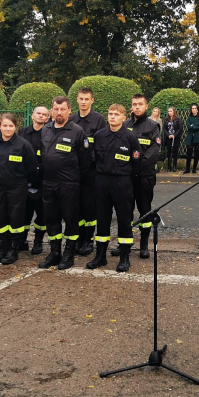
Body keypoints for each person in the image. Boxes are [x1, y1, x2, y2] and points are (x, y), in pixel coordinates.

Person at [87, 103, 141, 273]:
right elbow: (93, 159)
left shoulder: (130, 137)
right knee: (102, 218)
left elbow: (137, 163)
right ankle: (101, 255)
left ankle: (124, 256)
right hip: (102, 181)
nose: (112, 117)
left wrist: (126, 178)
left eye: (117, 114)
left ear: (124, 118)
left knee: (124, 219)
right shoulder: (100, 135)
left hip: (122, 182)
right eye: (110, 113)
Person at [38, 96, 90, 270]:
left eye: (63, 109)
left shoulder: (77, 131)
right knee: (51, 219)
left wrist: (74, 179)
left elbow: (85, 161)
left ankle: (69, 253)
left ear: (69, 110)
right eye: (56, 109)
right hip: (48, 184)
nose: (59, 112)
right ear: (52, 110)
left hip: (69, 184)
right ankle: (55, 252)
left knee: (70, 219)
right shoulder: (45, 129)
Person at [0, 113, 38, 265]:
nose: (8, 128)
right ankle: (2, 248)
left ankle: (13, 249)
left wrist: (28, 184)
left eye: (11, 126)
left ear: (15, 127)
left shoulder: (23, 145)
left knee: (16, 217)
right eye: (5, 125)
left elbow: (31, 169)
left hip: (17, 186)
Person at [118, 93, 160, 259]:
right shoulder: (125, 124)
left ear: (146, 106)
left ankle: (143, 245)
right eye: (134, 104)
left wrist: (137, 165)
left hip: (144, 175)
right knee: (125, 211)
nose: (137, 107)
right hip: (126, 176)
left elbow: (154, 151)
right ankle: (125, 243)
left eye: (140, 104)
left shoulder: (152, 126)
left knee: (145, 211)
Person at [69, 87, 106, 256]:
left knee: (90, 206)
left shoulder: (99, 120)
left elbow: (101, 146)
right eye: (81, 99)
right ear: (77, 100)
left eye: (87, 99)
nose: (83, 102)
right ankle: (78, 238)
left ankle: (88, 240)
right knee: (76, 206)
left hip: (91, 171)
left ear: (92, 100)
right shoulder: (71, 120)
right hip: (73, 170)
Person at [18, 106, 50, 255]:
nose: (41, 116)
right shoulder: (22, 133)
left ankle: (38, 242)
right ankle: (22, 241)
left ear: (48, 118)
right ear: (32, 115)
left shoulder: (50, 133)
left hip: (43, 180)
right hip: (24, 180)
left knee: (42, 214)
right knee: (24, 213)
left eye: (44, 114)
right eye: (38, 113)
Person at [184, 103, 199, 174]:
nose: (194, 110)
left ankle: (194, 168)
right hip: (190, 136)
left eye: (195, 108)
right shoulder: (189, 117)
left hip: (198, 137)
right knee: (189, 153)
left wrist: (193, 125)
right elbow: (188, 126)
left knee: (197, 152)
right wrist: (195, 126)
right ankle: (187, 169)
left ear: (197, 109)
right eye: (192, 108)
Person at [163, 106, 183, 172]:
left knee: (175, 151)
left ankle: (175, 166)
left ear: (174, 112)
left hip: (176, 138)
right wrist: (168, 135)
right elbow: (165, 128)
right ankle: (169, 167)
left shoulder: (178, 119)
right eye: (168, 111)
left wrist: (175, 135)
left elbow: (180, 128)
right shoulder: (166, 119)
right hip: (169, 137)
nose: (169, 113)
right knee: (169, 152)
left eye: (171, 111)